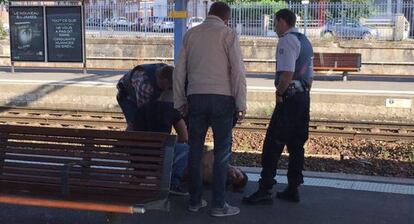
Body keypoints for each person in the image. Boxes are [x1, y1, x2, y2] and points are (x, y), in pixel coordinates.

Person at [173, 1, 247, 217]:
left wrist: (179, 101)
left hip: (196, 97)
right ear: (226, 18)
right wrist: (241, 102)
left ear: (209, 14)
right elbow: (238, 72)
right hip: (223, 99)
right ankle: (218, 205)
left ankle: (195, 201)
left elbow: (179, 72)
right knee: (222, 152)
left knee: (195, 151)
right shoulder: (228, 34)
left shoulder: (191, 35)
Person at [243, 9, 313, 204]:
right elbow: (310, 77)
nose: (274, 27)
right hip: (304, 98)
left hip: (289, 100)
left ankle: (265, 189)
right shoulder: (305, 41)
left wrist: (280, 94)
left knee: (272, 144)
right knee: (296, 145)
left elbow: (286, 74)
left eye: (275, 23)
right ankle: (293, 188)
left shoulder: (287, 40)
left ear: (282, 21)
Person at [132, 92, 248, 196]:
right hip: (159, 159)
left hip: (143, 158)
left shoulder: (142, 109)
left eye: (233, 179)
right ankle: (173, 184)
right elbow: (186, 139)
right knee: (184, 149)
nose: (233, 176)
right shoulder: (222, 158)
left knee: (185, 149)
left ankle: (172, 182)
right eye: (238, 175)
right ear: (238, 168)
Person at [116, 63, 173, 130]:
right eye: (169, 87)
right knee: (136, 123)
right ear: (165, 81)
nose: (169, 89)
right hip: (126, 94)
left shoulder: (166, 71)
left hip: (143, 89)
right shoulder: (145, 86)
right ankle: (128, 138)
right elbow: (144, 112)